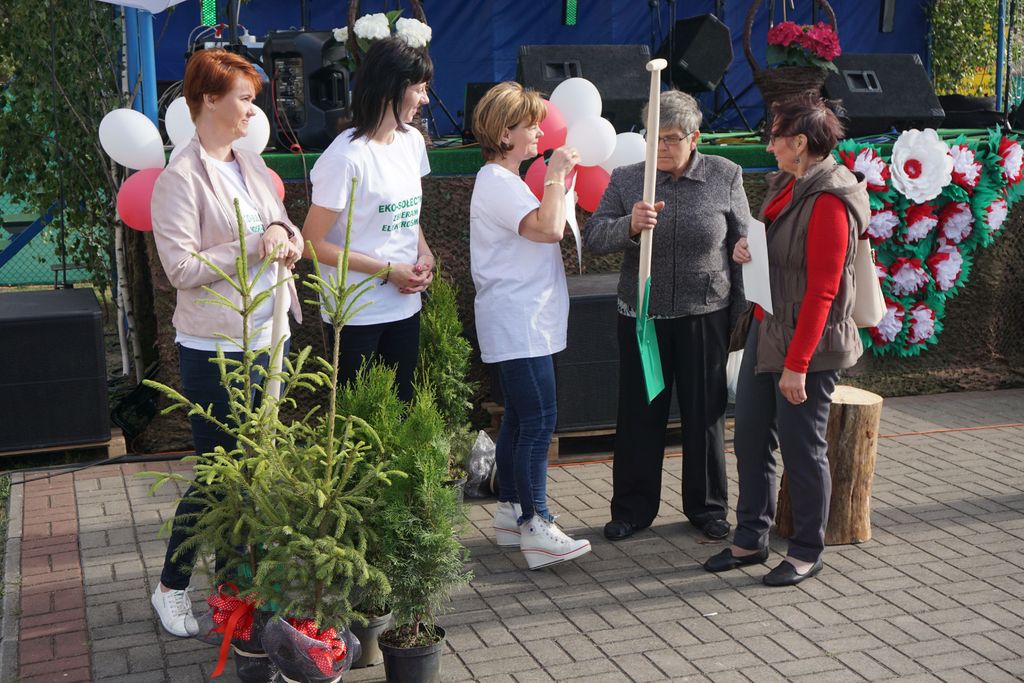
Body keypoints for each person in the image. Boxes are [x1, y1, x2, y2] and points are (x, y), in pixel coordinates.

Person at [150, 48, 304, 636]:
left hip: (270, 332)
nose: (252, 110)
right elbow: (180, 269)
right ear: (209, 100)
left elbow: (281, 223)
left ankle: (238, 594)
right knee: (219, 475)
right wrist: (250, 245)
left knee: (254, 472)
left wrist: (284, 234)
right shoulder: (178, 179)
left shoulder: (250, 163)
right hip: (213, 344)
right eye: (244, 98)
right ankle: (171, 587)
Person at [703, 95, 869, 586]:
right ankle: (751, 538)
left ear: (799, 143)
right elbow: (776, 248)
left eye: (774, 136)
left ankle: (806, 551)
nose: (769, 144)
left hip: (808, 344)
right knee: (751, 438)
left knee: (803, 449)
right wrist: (746, 249)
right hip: (769, 326)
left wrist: (798, 365)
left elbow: (823, 291)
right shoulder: (788, 184)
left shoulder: (830, 199)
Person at [584, 90, 750, 542]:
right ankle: (632, 510)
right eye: (653, 137)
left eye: (671, 138)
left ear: (694, 138)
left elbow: (743, 249)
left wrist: (739, 321)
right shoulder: (628, 179)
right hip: (644, 320)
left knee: (705, 416)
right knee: (640, 415)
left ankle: (708, 508)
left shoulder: (725, 175)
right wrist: (629, 225)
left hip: (705, 317)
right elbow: (594, 236)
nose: (661, 147)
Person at [470, 81, 591, 570]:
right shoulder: (498, 182)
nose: (541, 133)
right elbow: (548, 229)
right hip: (519, 322)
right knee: (539, 421)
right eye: (531, 126)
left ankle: (512, 511)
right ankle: (536, 524)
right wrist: (556, 177)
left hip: (524, 320)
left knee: (521, 420)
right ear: (505, 133)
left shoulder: (505, 180)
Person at [303, 37, 434, 402]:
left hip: (405, 305)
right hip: (356, 313)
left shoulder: (411, 141)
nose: (425, 99)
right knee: (358, 418)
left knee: (403, 412)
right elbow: (311, 244)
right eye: (419, 89)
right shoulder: (345, 158)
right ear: (391, 88)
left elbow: (408, 213)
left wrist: (425, 255)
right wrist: (387, 271)